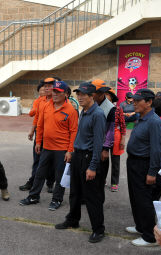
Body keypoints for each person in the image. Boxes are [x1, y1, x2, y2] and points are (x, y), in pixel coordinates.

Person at [55, 82, 106, 244]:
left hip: (88, 158)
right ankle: (73, 219)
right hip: (78, 156)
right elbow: (79, 135)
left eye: (84, 94)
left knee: (92, 196)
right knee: (75, 192)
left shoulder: (97, 114)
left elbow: (99, 144)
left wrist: (92, 167)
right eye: (78, 94)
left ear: (92, 96)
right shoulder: (83, 111)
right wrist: (71, 151)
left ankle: (98, 229)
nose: (80, 97)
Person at [19, 81, 78, 211]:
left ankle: (57, 199)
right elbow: (40, 125)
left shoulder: (71, 111)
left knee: (59, 176)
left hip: (62, 150)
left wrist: (70, 151)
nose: (55, 94)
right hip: (46, 147)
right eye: (54, 92)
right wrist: (38, 142)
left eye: (58, 92)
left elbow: (74, 132)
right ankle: (33, 196)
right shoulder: (46, 106)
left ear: (65, 94)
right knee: (40, 173)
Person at [125, 88, 161, 247]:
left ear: (149, 102)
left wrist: (151, 172)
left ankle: (150, 237)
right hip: (134, 163)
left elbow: (156, 150)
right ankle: (141, 227)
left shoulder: (154, 121)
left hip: (144, 165)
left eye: (138, 100)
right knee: (135, 198)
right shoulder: (141, 117)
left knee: (145, 201)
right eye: (134, 100)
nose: (134, 103)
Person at [20, 77, 56, 192]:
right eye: (44, 86)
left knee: (51, 161)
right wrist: (32, 131)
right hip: (40, 135)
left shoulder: (57, 101)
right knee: (37, 160)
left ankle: (50, 182)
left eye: (49, 86)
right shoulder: (40, 101)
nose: (46, 89)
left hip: (53, 137)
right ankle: (33, 182)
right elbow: (37, 118)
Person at [92, 79, 116, 186]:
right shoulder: (90, 102)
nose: (90, 94)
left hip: (101, 146)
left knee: (100, 174)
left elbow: (111, 130)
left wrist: (106, 149)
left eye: (93, 92)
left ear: (100, 93)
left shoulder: (110, 108)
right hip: (89, 143)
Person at [105, 89, 126, 192]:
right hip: (103, 136)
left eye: (107, 95)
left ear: (111, 97)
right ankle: (102, 179)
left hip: (116, 136)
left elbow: (122, 125)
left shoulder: (118, 109)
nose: (104, 97)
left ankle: (114, 182)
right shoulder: (100, 108)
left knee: (115, 162)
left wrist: (123, 139)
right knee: (103, 160)